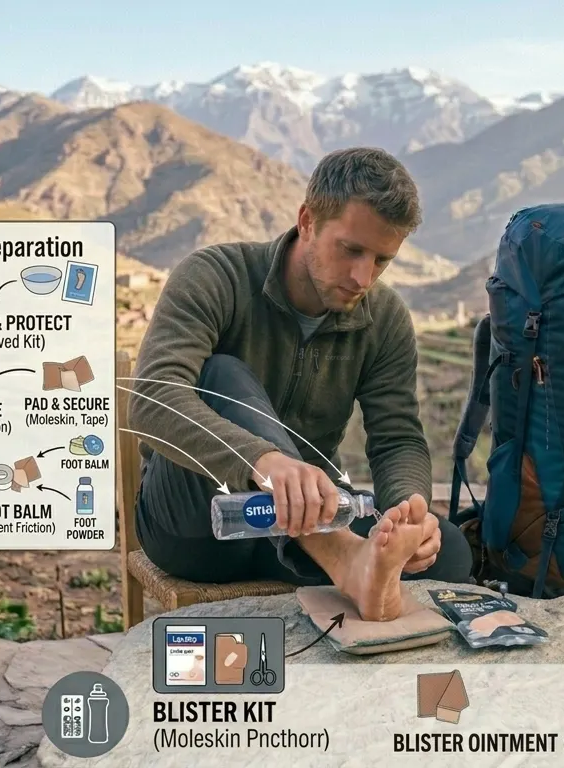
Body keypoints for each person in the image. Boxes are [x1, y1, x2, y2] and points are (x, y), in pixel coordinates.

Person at [128, 147, 473, 621]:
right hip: (200, 526)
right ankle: (343, 556)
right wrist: (264, 462)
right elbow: (150, 401)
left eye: (382, 261)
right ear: (307, 221)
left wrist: (407, 515)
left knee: (449, 552)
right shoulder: (216, 277)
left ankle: (353, 556)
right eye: (351, 250)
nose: (362, 277)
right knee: (221, 374)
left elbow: (397, 438)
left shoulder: (385, 319)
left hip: (302, 525)